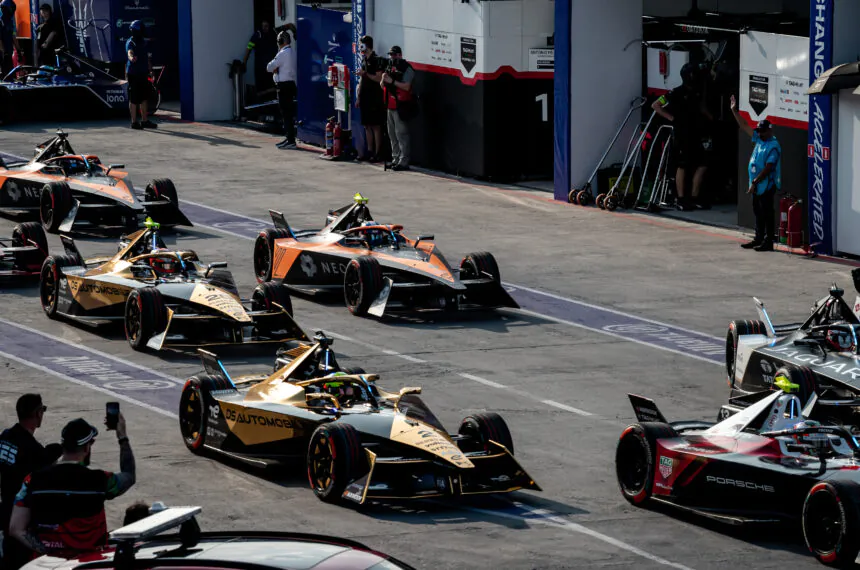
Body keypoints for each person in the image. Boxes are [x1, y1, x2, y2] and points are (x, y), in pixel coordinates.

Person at [9, 415, 136, 560]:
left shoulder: (32, 480)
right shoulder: (101, 480)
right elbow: (129, 475)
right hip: (88, 564)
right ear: (87, 447)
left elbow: (16, 529)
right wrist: (122, 436)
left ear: (63, 446)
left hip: (47, 565)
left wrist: (45, 550)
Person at [0, 395, 61, 570]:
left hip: (6, 512)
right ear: (37, 413)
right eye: (43, 410)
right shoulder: (34, 452)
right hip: (23, 520)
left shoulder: (5, 437)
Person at [652, 62, 713, 211]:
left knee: (703, 164)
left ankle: (694, 197)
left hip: (697, 132)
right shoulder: (675, 92)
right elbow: (655, 105)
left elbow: (702, 108)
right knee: (682, 165)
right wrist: (672, 118)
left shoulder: (698, 92)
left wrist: (713, 119)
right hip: (682, 133)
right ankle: (680, 199)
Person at [731, 95, 781, 252]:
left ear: (770, 130)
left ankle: (768, 241)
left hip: (765, 184)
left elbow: (768, 168)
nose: (760, 134)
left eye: (763, 131)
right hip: (757, 185)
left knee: (767, 213)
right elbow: (744, 125)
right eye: (759, 131)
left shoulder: (773, 145)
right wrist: (734, 111)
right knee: (757, 212)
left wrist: (755, 182)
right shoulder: (760, 140)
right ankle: (758, 238)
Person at [381, 46, 415, 171]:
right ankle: (395, 159)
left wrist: (392, 81)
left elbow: (406, 87)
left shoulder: (407, 68)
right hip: (389, 105)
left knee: (401, 134)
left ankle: (404, 161)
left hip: (401, 105)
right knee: (392, 134)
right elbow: (382, 85)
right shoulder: (389, 66)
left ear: (400, 55)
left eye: (394, 55)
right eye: (390, 55)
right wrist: (383, 80)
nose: (392, 57)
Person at [267, 24, 298, 150]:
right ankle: (289, 138)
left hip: (284, 87)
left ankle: (290, 140)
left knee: (286, 114)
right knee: (288, 114)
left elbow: (269, 67)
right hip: (290, 85)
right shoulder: (292, 52)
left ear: (281, 41)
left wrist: (275, 67)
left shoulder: (283, 53)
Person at [355, 35, 385, 162]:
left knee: (376, 126)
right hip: (365, 96)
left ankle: (378, 153)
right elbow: (362, 80)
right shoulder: (363, 60)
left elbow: (379, 78)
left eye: (362, 45)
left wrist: (366, 74)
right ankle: (369, 150)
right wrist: (359, 97)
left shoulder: (376, 60)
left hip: (375, 96)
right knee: (367, 125)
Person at [126, 20, 156, 130]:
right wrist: (131, 58)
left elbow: (146, 58)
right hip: (133, 74)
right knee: (134, 98)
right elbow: (130, 52)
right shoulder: (130, 42)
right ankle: (134, 122)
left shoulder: (143, 42)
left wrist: (151, 70)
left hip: (143, 73)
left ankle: (144, 121)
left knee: (144, 97)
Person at [243, 20, 278, 94]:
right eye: (263, 26)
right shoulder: (257, 35)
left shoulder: (273, 33)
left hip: (272, 65)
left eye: (266, 26)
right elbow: (249, 47)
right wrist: (244, 62)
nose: (264, 28)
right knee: (261, 88)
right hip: (260, 66)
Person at [0, 0, 21, 76]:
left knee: (10, 73)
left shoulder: (10, 22)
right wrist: (3, 52)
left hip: (8, 53)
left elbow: (13, 36)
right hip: (3, 54)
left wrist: (18, 51)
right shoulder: (1, 21)